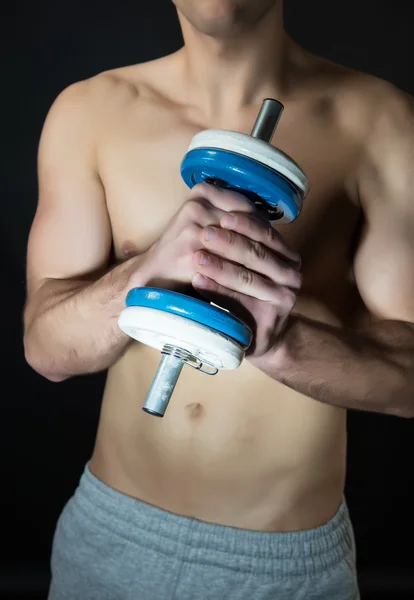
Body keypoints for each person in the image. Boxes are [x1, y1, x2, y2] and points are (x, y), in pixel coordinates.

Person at [23, 1, 414, 598]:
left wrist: (280, 344)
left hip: (283, 566)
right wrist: (144, 276)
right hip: (113, 537)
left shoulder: (383, 123)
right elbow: (45, 349)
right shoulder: (90, 113)